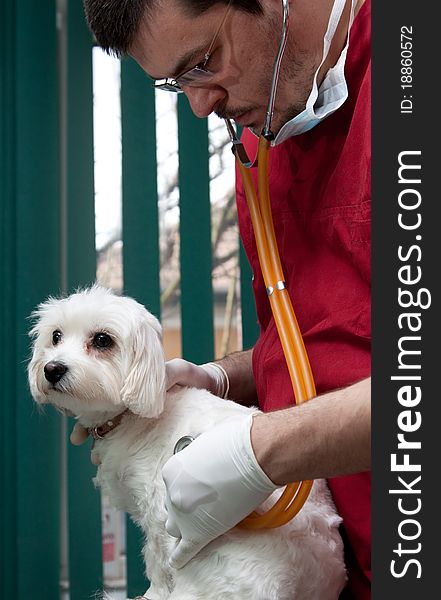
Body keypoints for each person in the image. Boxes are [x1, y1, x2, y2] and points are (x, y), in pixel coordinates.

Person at [82, 0, 371, 597]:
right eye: (174, 83)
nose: (199, 104)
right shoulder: (268, 139)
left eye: (203, 62)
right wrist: (217, 379)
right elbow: (317, 337)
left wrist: (258, 450)